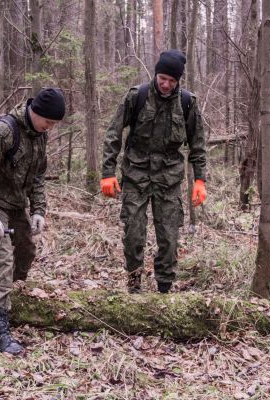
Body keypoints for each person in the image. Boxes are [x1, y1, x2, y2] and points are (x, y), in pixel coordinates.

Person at [100, 50, 207, 294]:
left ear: (178, 80)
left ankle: (164, 289)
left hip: (168, 180)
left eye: (172, 80)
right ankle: (134, 285)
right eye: (162, 78)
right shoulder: (137, 96)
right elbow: (113, 134)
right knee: (133, 234)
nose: (166, 84)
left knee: (169, 238)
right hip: (136, 176)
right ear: (156, 74)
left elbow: (198, 145)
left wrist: (200, 179)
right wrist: (108, 172)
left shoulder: (187, 103)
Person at [0, 88, 65, 354]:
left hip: (16, 204)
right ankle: (0, 328)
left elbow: (37, 178)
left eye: (55, 124)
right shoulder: (4, 132)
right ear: (36, 113)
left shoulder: (40, 136)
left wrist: (38, 210)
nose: (51, 128)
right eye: (49, 122)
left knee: (26, 251)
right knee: (3, 258)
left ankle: (11, 294)